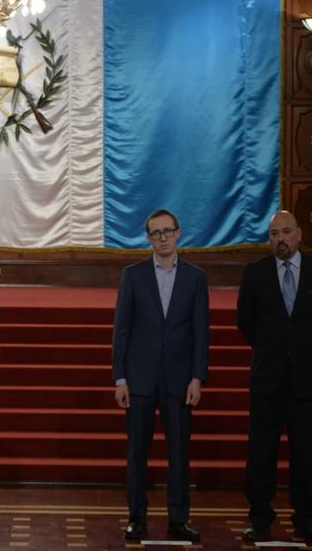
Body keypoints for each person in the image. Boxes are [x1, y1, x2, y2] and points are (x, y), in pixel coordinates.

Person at [238, 210, 312, 544]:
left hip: (307, 380)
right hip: (267, 379)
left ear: (299, 234)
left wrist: (304, 352)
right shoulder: (254, 273)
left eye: (285, 232)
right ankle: (259, 518)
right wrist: (274, 350)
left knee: (306, 454)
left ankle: (306, 519)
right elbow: (246, 323)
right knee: (261, 454)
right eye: (273, 234)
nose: (279, 239)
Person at [111, 209, 209, 543]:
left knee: (179, 453)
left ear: (179, 233)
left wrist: (198, 377)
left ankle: (178, 519)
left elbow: (201, 332)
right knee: (137, 452)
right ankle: (136, 518)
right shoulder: (133, 275)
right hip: (139, 380)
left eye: (168, 231)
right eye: (156, 233)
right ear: (148, 238)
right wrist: (120, 379)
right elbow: (120, 331)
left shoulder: (196, 277)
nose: (163, 237)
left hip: (180, 381)